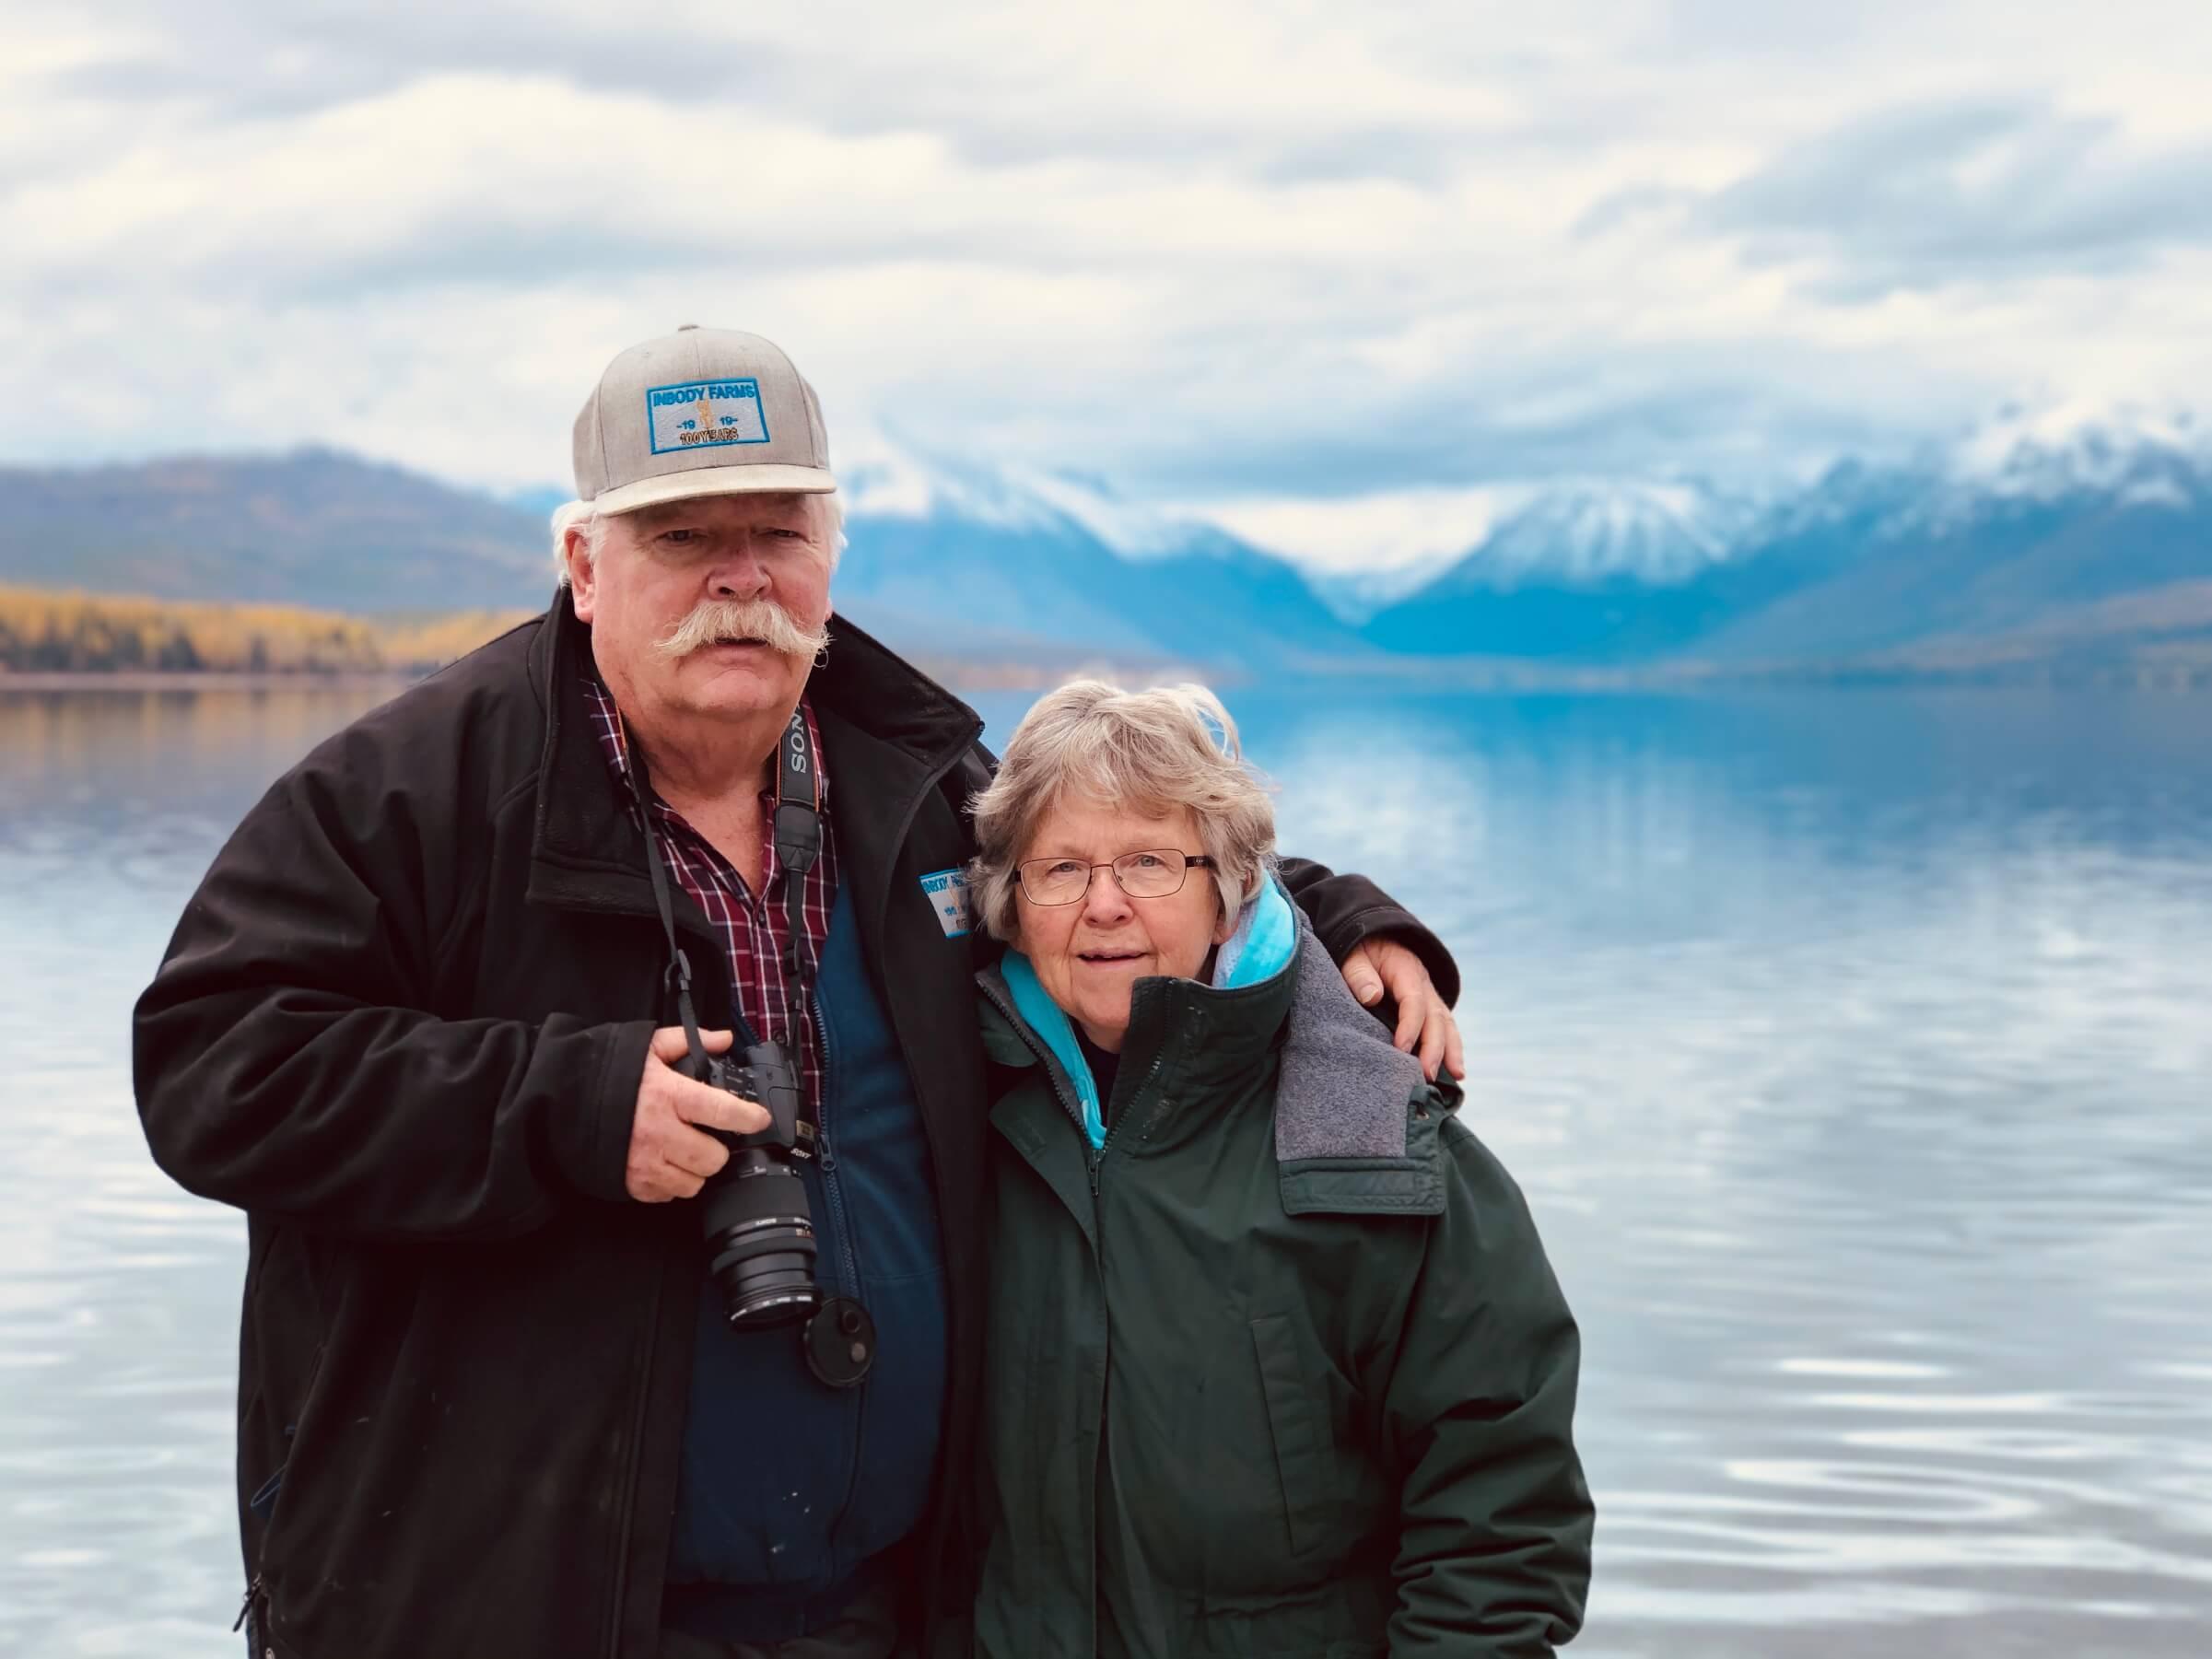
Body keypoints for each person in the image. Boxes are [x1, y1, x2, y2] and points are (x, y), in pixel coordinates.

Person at [131, 326, 1467, 1659]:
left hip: (874, 1606)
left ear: (833, 554)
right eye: (679, 538)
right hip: (515, 1607)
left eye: (776, 531)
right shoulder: (412, 795)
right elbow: (210, 1066)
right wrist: (572, 1107)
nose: (738, 578)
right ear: (583, 566)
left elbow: (1120, 867)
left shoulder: (913, 785)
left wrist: (1344, 919)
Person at [965, 680, 1593, 1658]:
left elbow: (1499, 1525)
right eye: (1060, 868)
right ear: (1009, 902)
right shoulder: (949, 1110)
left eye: (1148, 862)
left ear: (1228, 890)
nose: (1103, 904)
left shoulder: (1376, 1141)